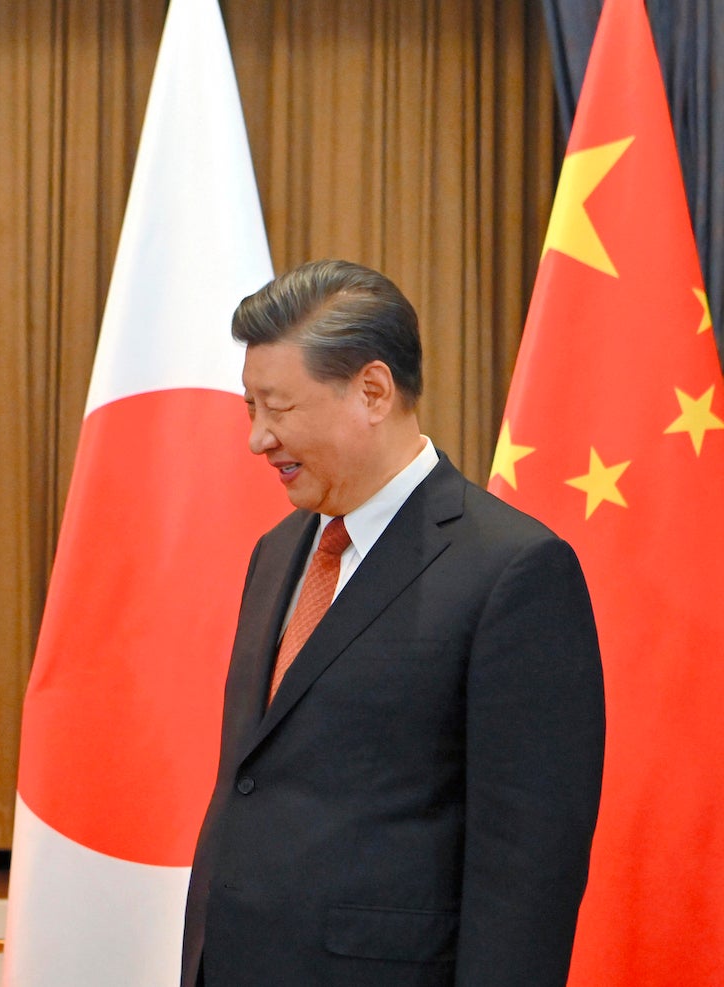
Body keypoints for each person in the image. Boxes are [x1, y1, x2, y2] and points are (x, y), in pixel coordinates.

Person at [181, 260, 605, 986]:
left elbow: (527, 874)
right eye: (250, 406)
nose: (257, 438)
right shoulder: (278, 551)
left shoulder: (513, 570)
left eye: (277, 408)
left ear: (372, 391)